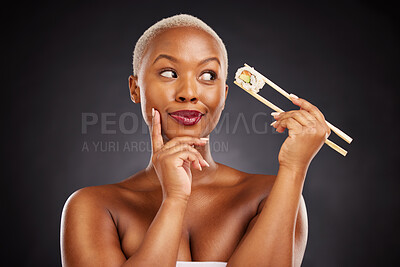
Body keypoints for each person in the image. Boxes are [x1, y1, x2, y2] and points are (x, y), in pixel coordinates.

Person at [60, 14, 330, 267]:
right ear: (135, 88)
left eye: (208, 75)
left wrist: (294, 168)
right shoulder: (92, 206)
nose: (189, 93)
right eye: (168, 73)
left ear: (224, 95)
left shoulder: (271, 195)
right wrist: (174, 199)